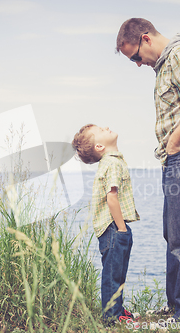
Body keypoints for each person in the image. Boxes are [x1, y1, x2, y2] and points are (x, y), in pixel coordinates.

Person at [116, 18, 180, 320]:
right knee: (174, 235)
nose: (137, 64)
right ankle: (177, 306)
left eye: (135, 56)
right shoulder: (164, 65)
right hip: (177, 158)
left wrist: (174, 143)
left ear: (146, 39)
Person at [71, 124, 140, 327]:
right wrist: (122, 228)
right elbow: (112, 197)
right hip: (113, 227)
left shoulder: (112, 161)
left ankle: (116, 310)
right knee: (113, 274)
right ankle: (112, 316)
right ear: (100, 146)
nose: (107, 127)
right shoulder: (112, 164)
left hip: (112, 226)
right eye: (102, 129)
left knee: (116, 271)